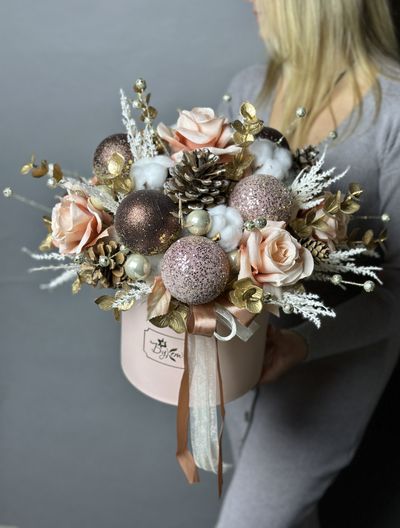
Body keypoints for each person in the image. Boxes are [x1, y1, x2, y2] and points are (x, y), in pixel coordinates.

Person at [216, 1, 400, 527]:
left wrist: (303, 345)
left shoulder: (392, 109)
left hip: (335, 360)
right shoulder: (251, 88)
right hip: (245, 352)